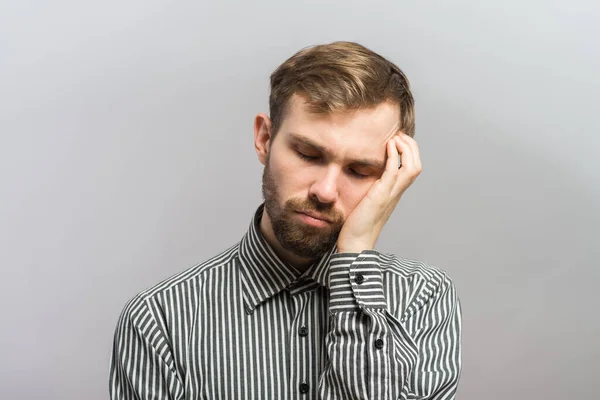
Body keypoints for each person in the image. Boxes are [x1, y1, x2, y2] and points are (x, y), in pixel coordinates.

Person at [109, 41, 462, 400]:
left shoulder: (422, 298)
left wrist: (354, 253)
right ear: (264, 138)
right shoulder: (158, 321)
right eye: (308, 154)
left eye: (359, 170)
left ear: (390, 176)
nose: (325, 191)